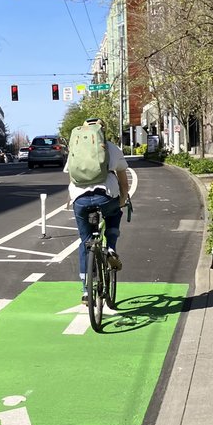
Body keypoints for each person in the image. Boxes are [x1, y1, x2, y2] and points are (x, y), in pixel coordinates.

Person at [65, 118, 130, 303]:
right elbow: (123, 179)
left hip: (80, 199)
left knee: (85, 242)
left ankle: (86, 290)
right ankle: (110, 248)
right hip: (106, 195)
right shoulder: (111, 147)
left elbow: (71, 175)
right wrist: (123, 198)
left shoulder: (76, 147)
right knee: (114, 213)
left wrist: (71, 198)